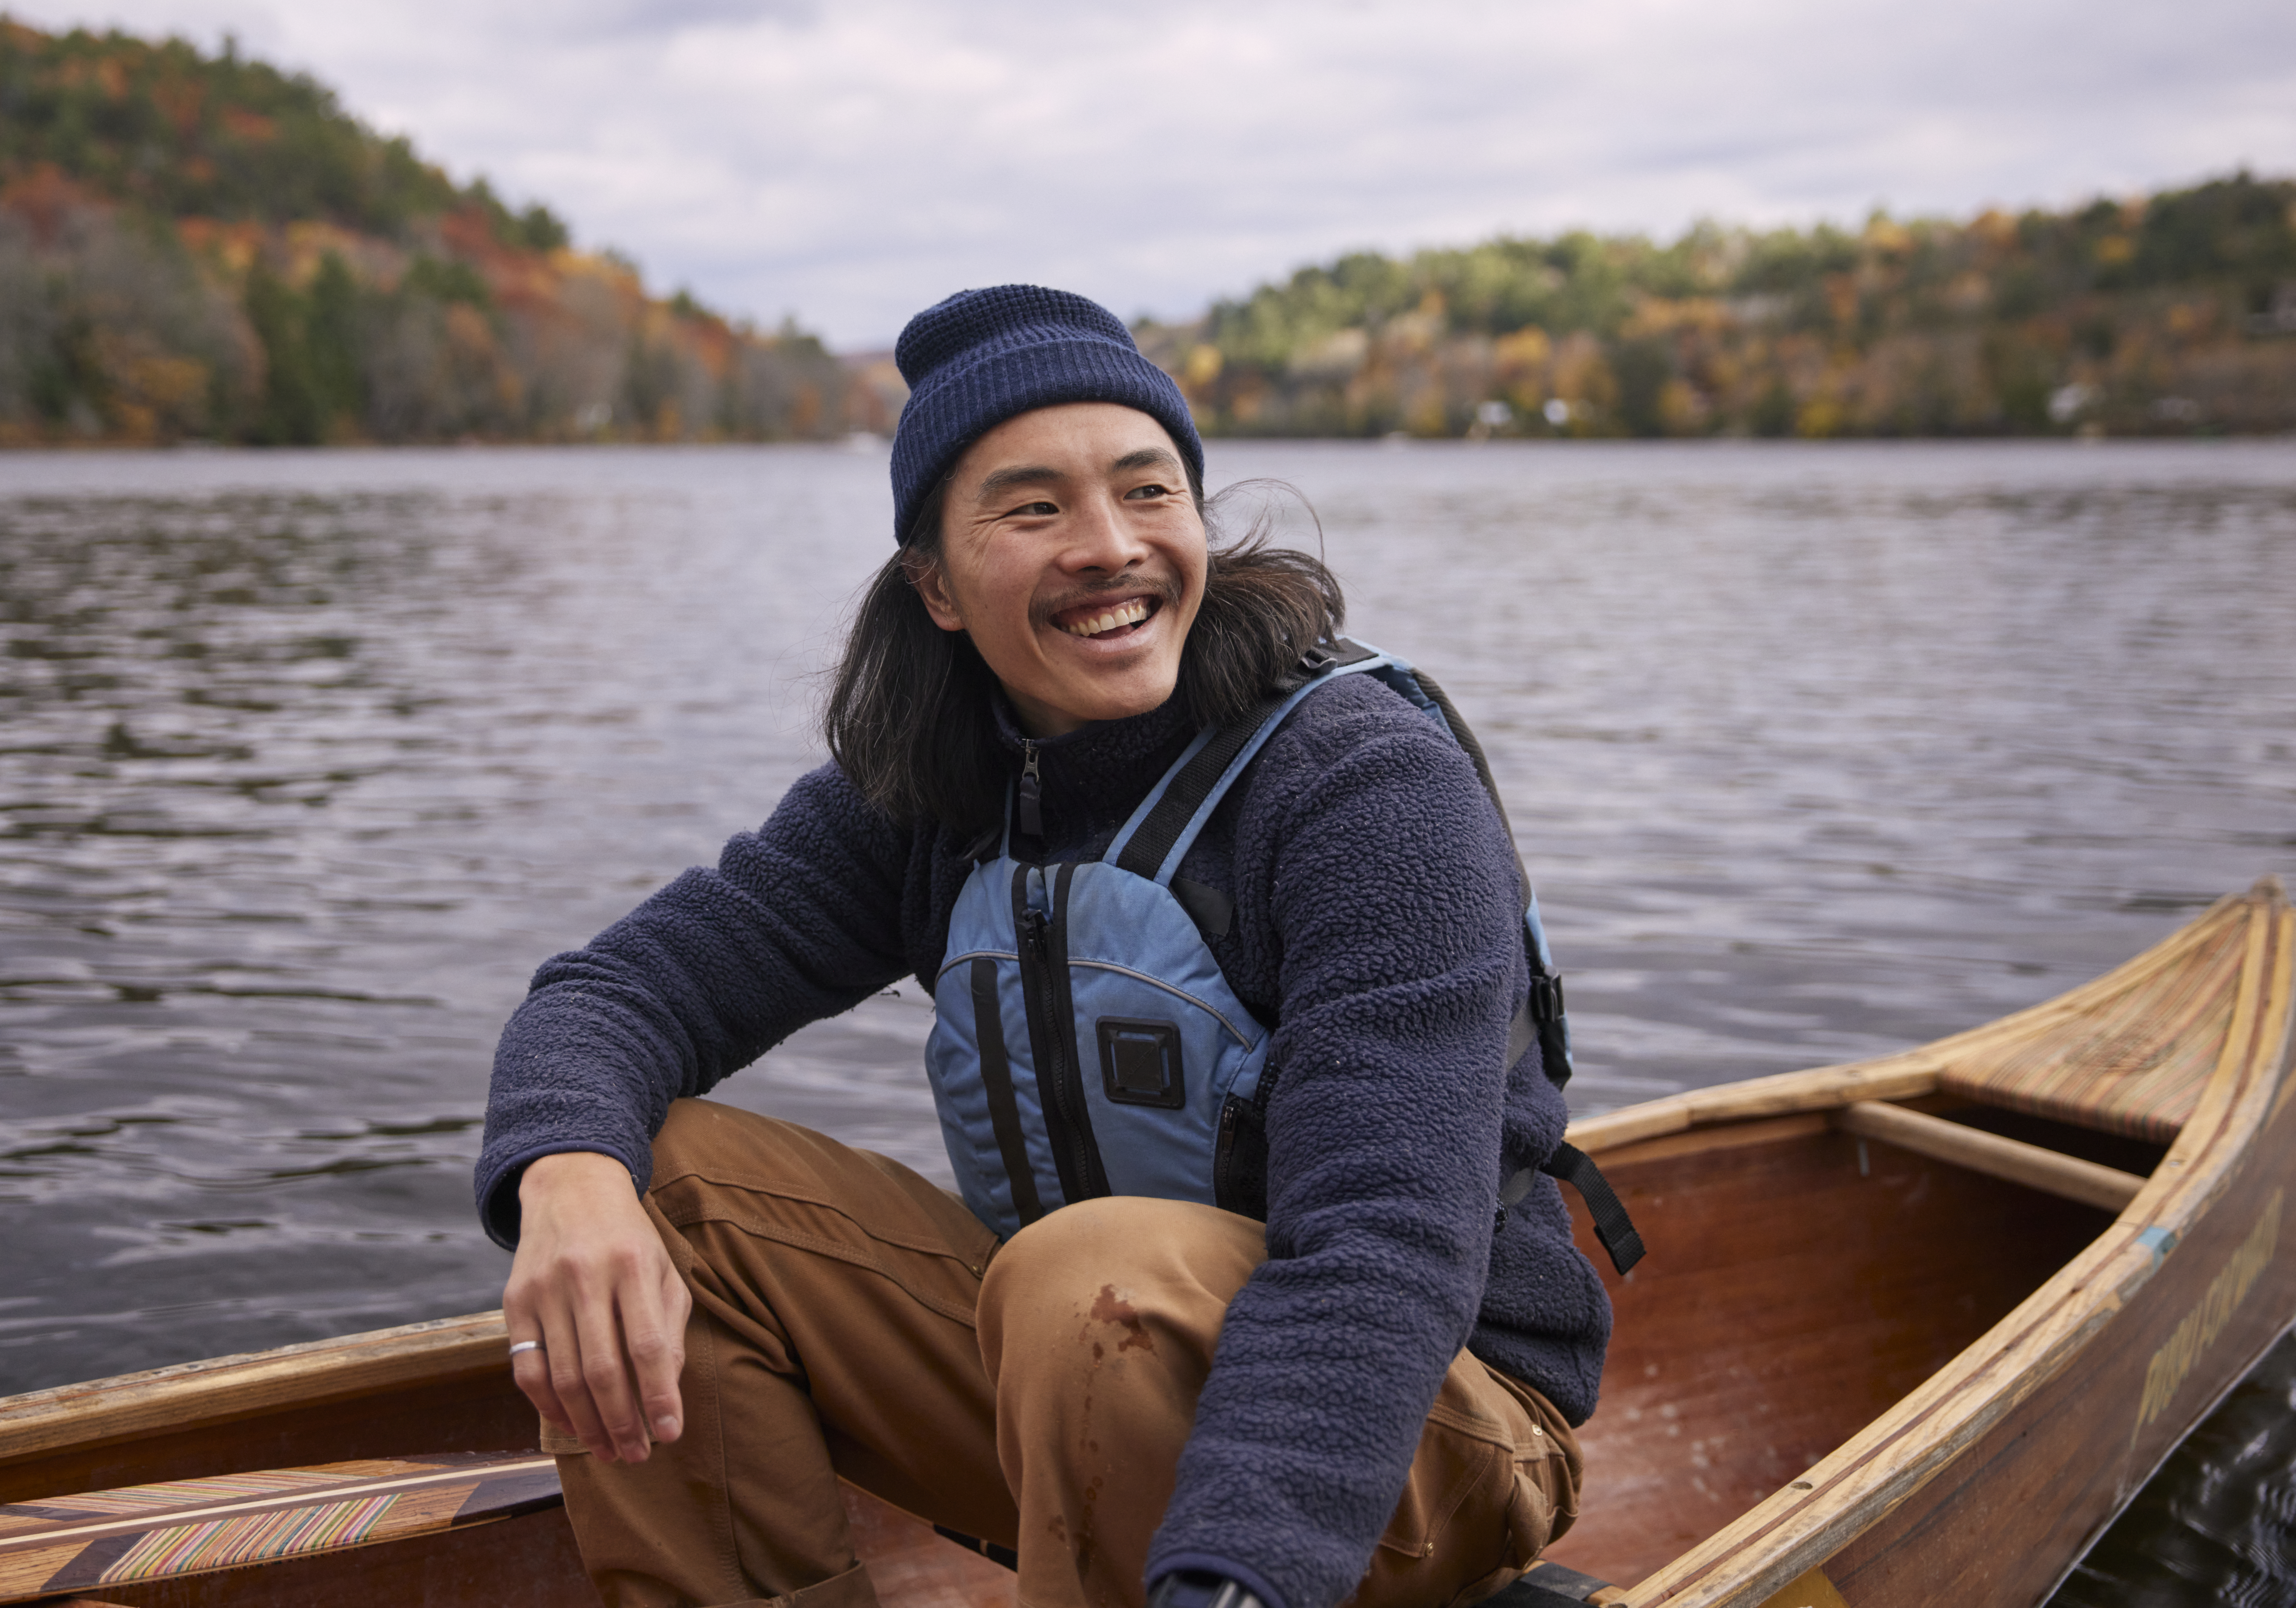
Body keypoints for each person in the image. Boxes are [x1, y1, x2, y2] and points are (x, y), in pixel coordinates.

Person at [476, 284, 1614, 1608]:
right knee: (664, 1185)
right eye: (1033, 509)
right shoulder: (933, 781)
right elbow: (623, 988)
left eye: (1148, 492)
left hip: (1430, 1417)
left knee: (1092, 1282)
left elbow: (1386, 1245)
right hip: (1081, 1378)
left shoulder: (1362, 784)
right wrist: (563, 1175)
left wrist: (1238, 1583)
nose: (1108, 546)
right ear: (938, 585)